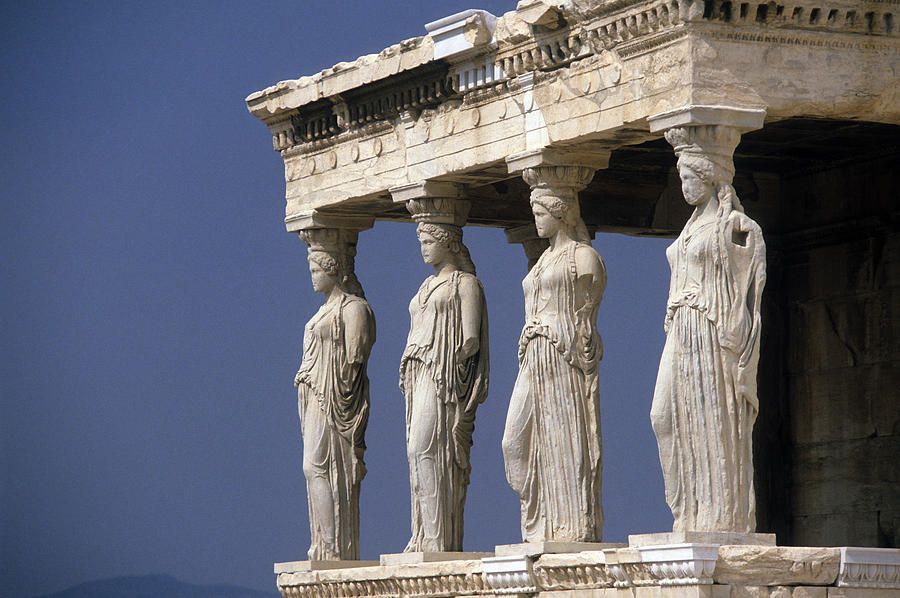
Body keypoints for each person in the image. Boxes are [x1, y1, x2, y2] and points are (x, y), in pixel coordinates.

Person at [650, 130, 766, 533]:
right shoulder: (688, 228)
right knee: (663, 415)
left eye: (690, 178)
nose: (684, 186)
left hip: (710, 329)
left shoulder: (732, 225)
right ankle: (687, 509)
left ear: (711, 179)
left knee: (712, 418)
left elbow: (749, 280)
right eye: (681, 178)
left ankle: (719, 516)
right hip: (680, 327)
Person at [502, 179, 606, 542]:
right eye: (534, 213)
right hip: (534, 354)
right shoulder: (544, 258)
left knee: (565, 436)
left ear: (560, 213)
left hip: (563, 355)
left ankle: (570, 525)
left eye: (541, 213)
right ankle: (539, 521)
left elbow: (587, 317)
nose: (536, 221)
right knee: (514, 443)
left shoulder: (583, 257)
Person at [400, 222, 489, 552]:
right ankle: (421, 533)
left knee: (427, 449)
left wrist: (450, 365)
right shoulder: (425, 285)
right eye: (420, 241)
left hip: (443, 378)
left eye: (428, 241)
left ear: (448, 242)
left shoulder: (465, 284)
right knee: (416, 452)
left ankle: (439, 539)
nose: (423, 247)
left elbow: (471, 339)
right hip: (418, 374)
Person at [294, 246, 375, 560]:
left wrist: (341, 398)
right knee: (312, 468)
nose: (312, 277)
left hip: (335, 400)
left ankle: (334, 546)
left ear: (333, 269)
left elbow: (355, 361)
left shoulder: (354, 308)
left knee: (319, 467)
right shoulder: (320, 313)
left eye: (317, 270)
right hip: (314, 397)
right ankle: (324, 544)